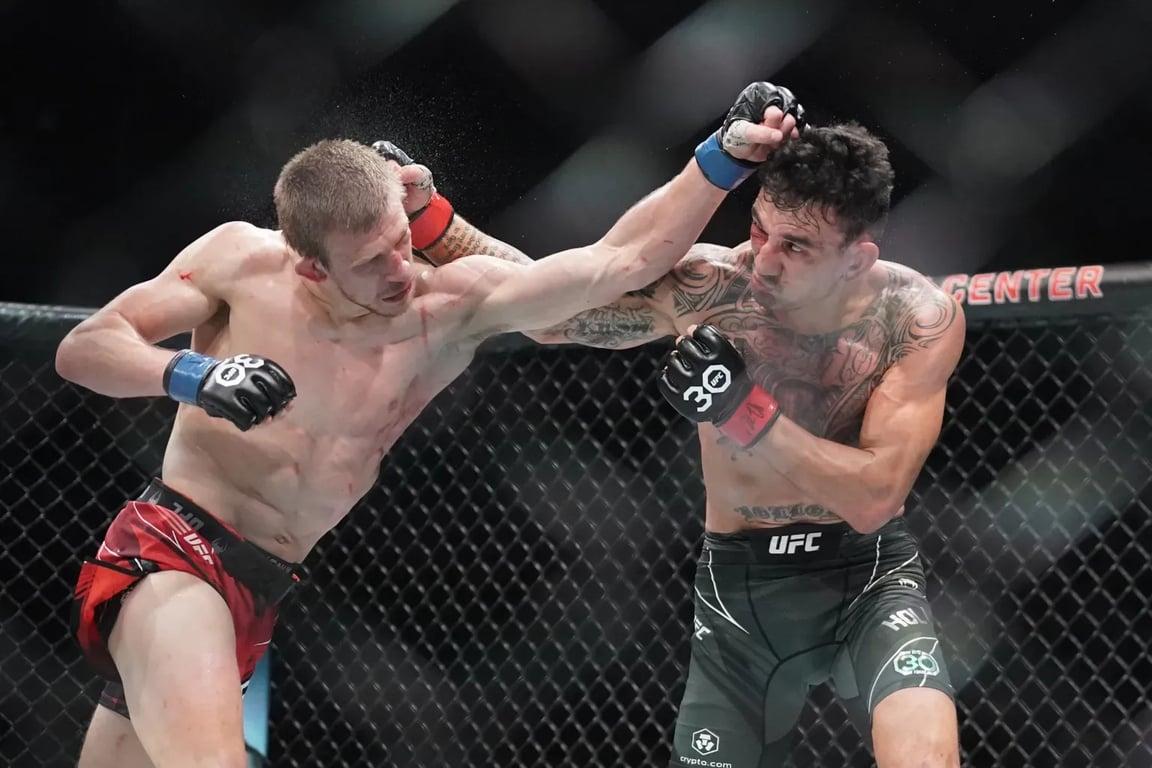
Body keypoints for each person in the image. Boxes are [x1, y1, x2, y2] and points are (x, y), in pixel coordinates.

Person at [58, 83, 804, 767]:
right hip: (173, 553)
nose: (399, 269)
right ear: (310, 267)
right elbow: (85, 348)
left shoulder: (448, 306)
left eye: (398, 240)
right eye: (370, 261)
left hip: (261, 586)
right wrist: (192, 376)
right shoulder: (240, 266)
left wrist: (722, 159)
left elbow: (622, 261)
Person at [421, 118, 964, 766]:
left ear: (857, 258)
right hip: (743, 582)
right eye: (760, 228)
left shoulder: (916, 316)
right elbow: (552, 310)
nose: (763, 259)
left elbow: (875, 497)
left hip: (868, 573)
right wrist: (432, 223)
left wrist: (744, 413)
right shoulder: (712, 287)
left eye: (796, 246)